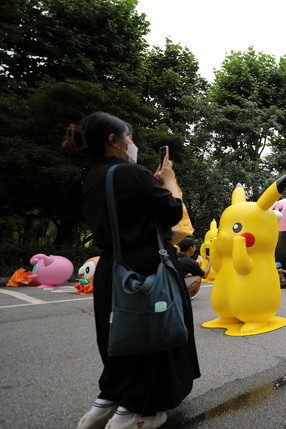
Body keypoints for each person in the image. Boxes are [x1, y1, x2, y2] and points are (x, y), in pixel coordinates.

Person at [67, 112, 199, 429]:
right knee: (156, 335)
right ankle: (135, 412)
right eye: (129, 136)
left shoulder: (95, 177)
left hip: (112, 267)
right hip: (146, 266)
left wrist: (151, 182)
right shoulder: (131, 172)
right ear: (113, 140)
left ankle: (105, 403)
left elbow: (129, 208)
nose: (132, 142)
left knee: (121, 336)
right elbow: (173, 211)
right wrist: (169, 181)